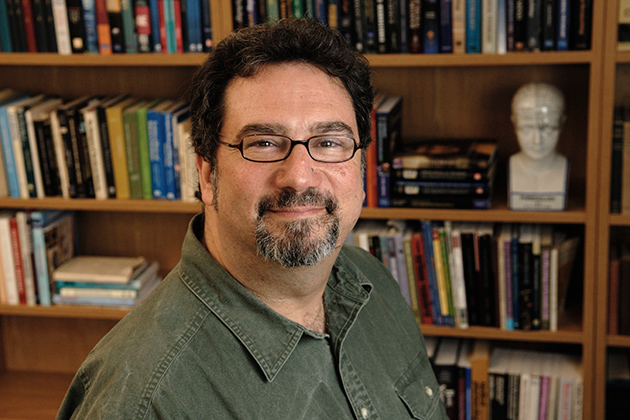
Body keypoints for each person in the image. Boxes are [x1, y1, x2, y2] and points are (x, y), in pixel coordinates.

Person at [56, 18, 447, 420]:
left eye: (329, 142)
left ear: (361, 166)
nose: (298, 175)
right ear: (208, 175)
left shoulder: (373, 281)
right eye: (262, 143)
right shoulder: (142, 397)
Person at [509, 82, 569, 210]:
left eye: (548, 128)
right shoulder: (511, 164)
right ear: (514, 123)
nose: (537, 140)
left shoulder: (565, 164)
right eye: (526, 128)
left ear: (561, 123)